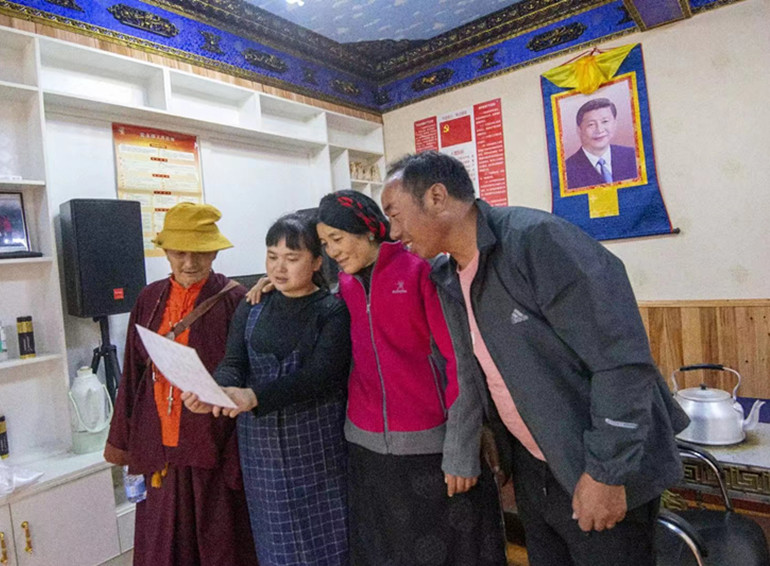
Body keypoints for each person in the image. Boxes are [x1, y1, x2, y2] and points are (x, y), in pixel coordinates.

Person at [381, 151, 690, 566]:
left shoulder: (536, 240)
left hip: (596, 464)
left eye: (395, 214)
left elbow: (621, 362)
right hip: (536, 466)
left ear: (437, 197)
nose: (393, 232)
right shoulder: (447, 277)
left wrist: (606, 472)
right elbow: (485, 370)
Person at [315, 191, 505, 566]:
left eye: (337, 239)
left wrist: (461, 448)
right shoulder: (344, 287)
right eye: (325, 243)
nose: (332, 251)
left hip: (430, 448)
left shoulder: (421, 271)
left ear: (367, 230)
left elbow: (460, 362)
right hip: (366, 449)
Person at [182, 212, 352, 566]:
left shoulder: (332, 310)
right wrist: (216, 390)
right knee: (275, 547)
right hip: (261, 455)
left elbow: (320, 376)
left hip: (317, 451)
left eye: (292, 258)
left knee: (328, 545)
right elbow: (234, 362)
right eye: (272, 257)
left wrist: (254, 396)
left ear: (317, 261)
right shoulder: (253, 305)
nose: (279, 267)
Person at [104, 202, 257, 566]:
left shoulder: (236, 300)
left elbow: (247, 374)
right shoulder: (149, 298)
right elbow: (133, 373)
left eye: (199, 252)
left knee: (218, 541)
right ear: (165, 252)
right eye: (179, 252)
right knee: (162, 545)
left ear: (214, 252)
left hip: (211, 443)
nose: (189, 263)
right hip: (158, 440)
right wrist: (123, 441)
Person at [564, 97, 638, 189]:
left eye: (605, 121)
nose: (599, 130)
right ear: (579, 130)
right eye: (591, 124)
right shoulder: (566, 170)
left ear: (615, 123)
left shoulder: (632, 156)